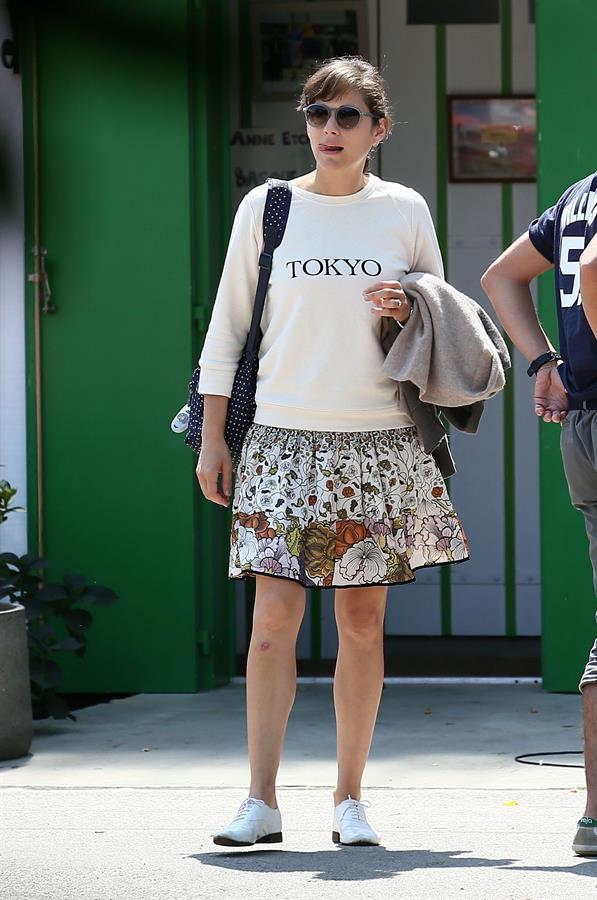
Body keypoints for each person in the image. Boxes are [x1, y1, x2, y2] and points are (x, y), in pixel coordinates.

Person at [196, 56, 469, 848]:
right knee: (272, 622)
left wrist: (405, 304)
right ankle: (260, 799)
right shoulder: (268, 207)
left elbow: (437, 327)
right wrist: (215, 438)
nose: (330, 130)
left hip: (379, 439)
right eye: (318, 114)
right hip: (280, 438)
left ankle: (350, 799)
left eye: (348, 116)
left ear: (378, 129)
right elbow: (228, 327)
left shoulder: (404, 209)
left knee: (361, 621)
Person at [481, 170, 597, 856]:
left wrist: (542, 362)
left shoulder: (578, 194)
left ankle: (594, 816)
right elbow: (593, 271)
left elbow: (501, 276)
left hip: (582, 424)